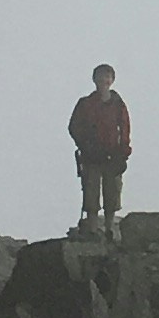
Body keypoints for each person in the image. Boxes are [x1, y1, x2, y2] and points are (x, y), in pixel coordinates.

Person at [68, 64, 131, 237]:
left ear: (112, 80)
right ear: (94, 80)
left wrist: (123, 152)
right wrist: (86, 146)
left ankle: (110, 228)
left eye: (108, 77)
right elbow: (74, 127)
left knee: (112, 192)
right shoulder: (85, 104)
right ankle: (93, 229)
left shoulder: (118, 105)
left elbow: (125, 129)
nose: (104, 80)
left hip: (113, 155)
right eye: (101, 77)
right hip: (91, 156)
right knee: (91, 192)